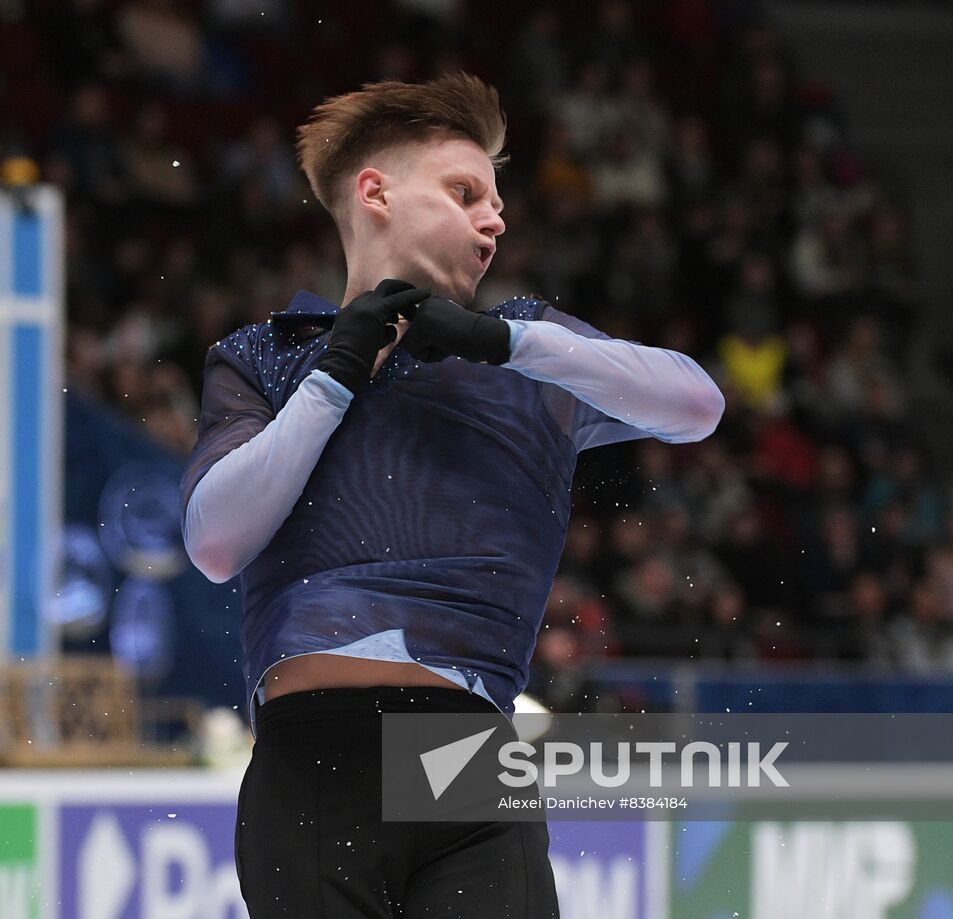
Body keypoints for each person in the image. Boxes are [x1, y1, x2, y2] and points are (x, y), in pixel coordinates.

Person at [179, 73, 724, 918]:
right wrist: (335, 375)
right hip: (314, 755)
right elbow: (215, 542)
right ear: (376, 194)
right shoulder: (269, 354)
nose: (495, 218)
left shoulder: (530, 354)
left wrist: (508, 341)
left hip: (469, 753)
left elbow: (697, 404)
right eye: (466, 192)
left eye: (496, 200)